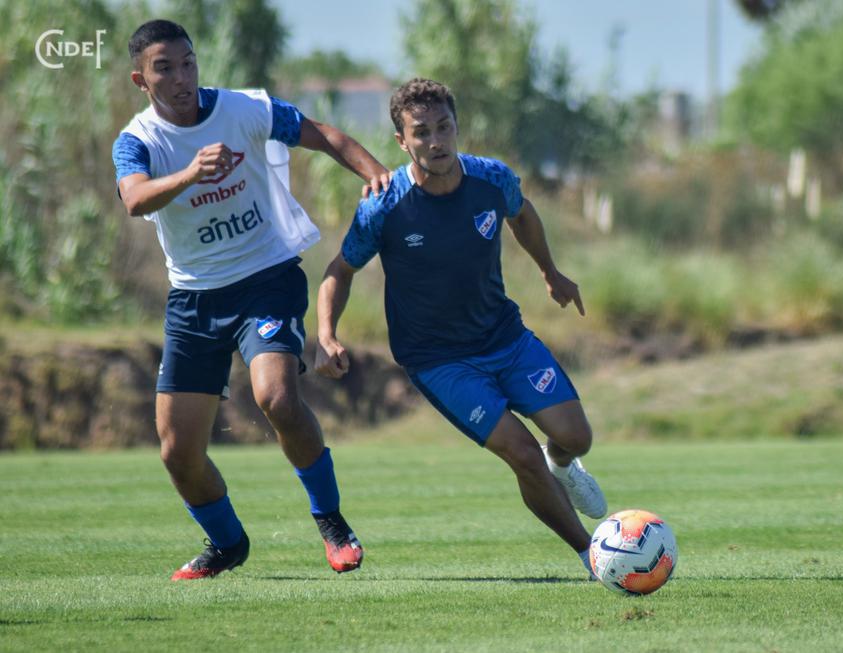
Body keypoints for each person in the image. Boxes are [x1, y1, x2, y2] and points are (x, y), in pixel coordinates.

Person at [111, 19, 389, 580]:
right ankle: (227, 543)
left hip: (266, 279)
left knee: (277, 399)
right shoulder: (136, 141)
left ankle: (331, 521)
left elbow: (322, 134)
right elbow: (135, 200)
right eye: (165, 68)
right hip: (193, 299)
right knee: (177, 452)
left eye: (188, 62)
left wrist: (379, 174)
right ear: (141, 80)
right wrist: (191, 172)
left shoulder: (245, 109)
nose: (182, 77)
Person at [315, 78, 606, 576]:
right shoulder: (383, 205)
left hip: (505, 338)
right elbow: (339, 271)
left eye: (443, 127)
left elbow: (522, 215)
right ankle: (594, 555)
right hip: (439, 360)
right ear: (402, 141)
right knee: (521, 453)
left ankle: (562, 465)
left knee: (576, 438)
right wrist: (326, 334)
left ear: (456, 126)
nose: (436, 141)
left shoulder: (492, 178)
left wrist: (550, 272)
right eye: (421, 132)